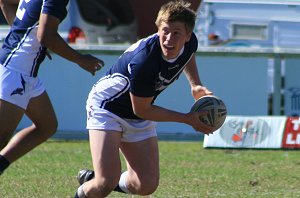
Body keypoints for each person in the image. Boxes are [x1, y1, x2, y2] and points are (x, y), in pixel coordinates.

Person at [74, 0, 213, 197]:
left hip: (138, 109)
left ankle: (94, 178)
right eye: (165, 31)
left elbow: (187, 54)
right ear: (158, 29)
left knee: (145, 185)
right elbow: (143, 110)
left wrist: (195, 84)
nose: (169, 39)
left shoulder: (190, 44)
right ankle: (95, 184)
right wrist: (187, 118)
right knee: (105, 182)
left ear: (188, 36)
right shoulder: (144, 61)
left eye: (176, 33)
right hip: (107, 108)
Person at [0, 0, 104, 175]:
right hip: (15, 71)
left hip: (23, 72)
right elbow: (46, 35)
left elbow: (5, 2)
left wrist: (23, 34)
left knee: (46, 126)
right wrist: (80, 59)